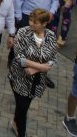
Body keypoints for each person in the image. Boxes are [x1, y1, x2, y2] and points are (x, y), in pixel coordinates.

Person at [8, 8, 57, 137]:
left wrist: (36, 68)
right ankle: (21, 133)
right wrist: (42, 67)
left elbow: (52, 59)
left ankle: (14, 122)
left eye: (35, 22)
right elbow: (19, 58)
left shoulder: (51, 36)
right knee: (22, 108)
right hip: (19, 78)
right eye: (30, 20)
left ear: (44, 24)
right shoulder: (23, 33)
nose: (30, 24)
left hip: (37, 81)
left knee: (23, 106)